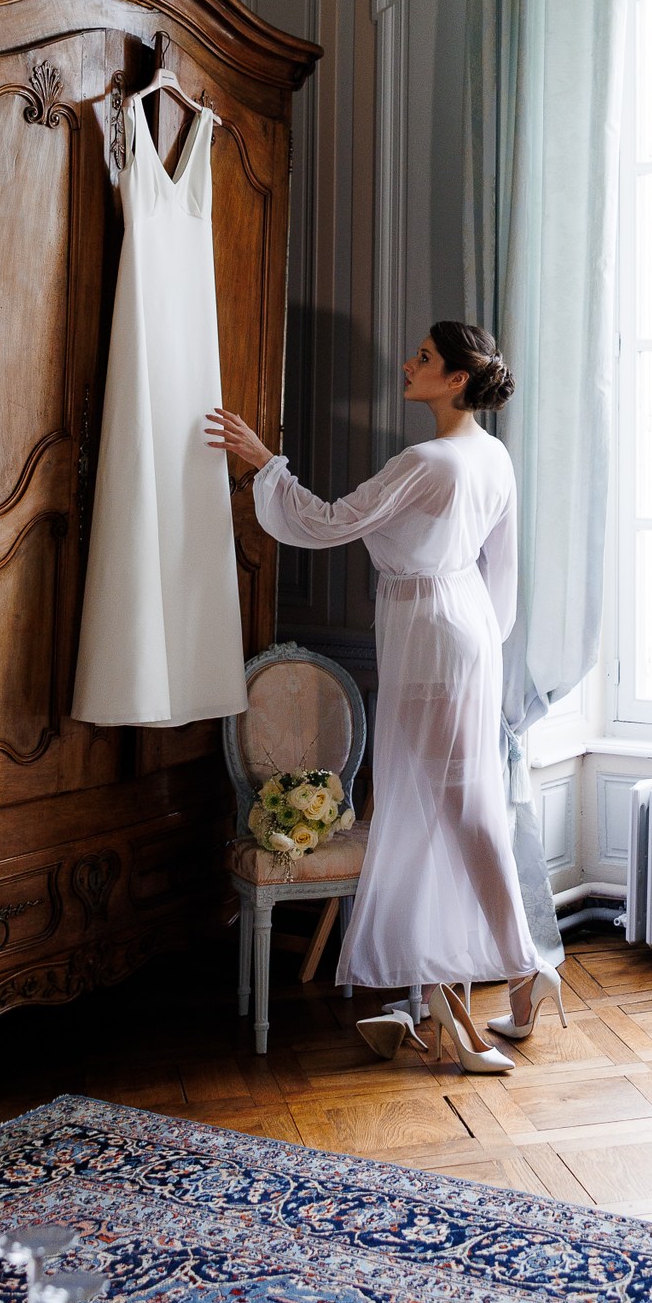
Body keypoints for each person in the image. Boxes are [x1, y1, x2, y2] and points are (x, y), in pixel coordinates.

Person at [206, 321, 564, 1074]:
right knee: (448, 803)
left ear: (457, 379)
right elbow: (503, 571)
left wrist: (266, 463)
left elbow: (326, 521)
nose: (409, 363)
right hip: (465, 626)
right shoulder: (491, 455)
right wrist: (479, 643)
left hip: (429, 632)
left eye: (424, 358)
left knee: (451, 806)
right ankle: (449, 993)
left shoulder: (427, 461)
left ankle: (520, 969)